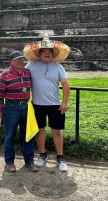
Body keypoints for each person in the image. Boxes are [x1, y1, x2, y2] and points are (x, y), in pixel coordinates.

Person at [23, 34, 71, 172]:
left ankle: (60, 157)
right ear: (39, 53)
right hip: (37, 104)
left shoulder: (58, 67)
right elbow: (22, 76)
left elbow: (66, 85)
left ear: (53, 54)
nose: (47, 54)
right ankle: (42, 154)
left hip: (55, 104)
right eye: (44, 52)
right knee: (40, 131)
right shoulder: (31, 65)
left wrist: (65, 102)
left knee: (56, 131)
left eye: (49, 52)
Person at [0, 50, 38, 173]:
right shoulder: (5, 74)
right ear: (11, 62)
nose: (20, 61)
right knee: (9, 136)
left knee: (28, 135)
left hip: (26, 107)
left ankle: (29, 161)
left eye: (22, 59)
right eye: (17, 59)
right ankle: (9, 162)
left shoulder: (27, 73)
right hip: (10, 108)